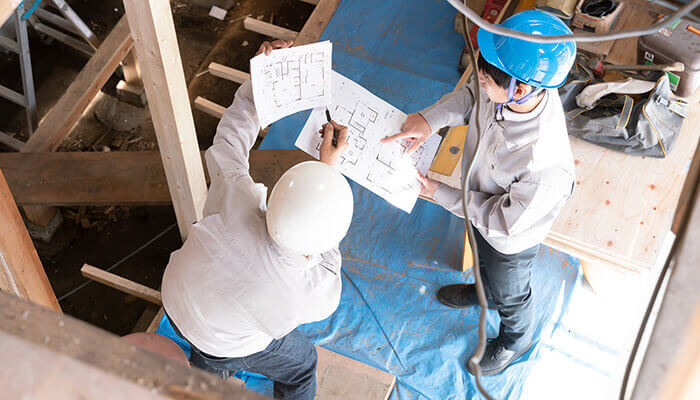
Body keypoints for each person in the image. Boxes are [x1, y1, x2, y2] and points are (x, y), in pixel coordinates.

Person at [382, 10, 577, 376]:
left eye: (487, 80)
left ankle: (515, 340)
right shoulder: (511, 88)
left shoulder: (543, 165)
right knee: (480, 253)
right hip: (478, 204)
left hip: (512, 237)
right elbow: (473, 96)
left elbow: (502, 220)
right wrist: (429, 119)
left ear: (520, 89)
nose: (480, 83)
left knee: (511, 292)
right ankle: (483, 293)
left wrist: (441, 193)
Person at [160, 39, 353, 400]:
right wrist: (329, 168)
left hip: (174, 297)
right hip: (218, 335)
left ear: (274, 194)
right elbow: (325, 249)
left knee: (214, 343)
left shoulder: (239, 198)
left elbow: (230, 140)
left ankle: (208, 369)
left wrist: (260, 80)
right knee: (302, 365)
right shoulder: (312, 293)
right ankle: (212, 367)